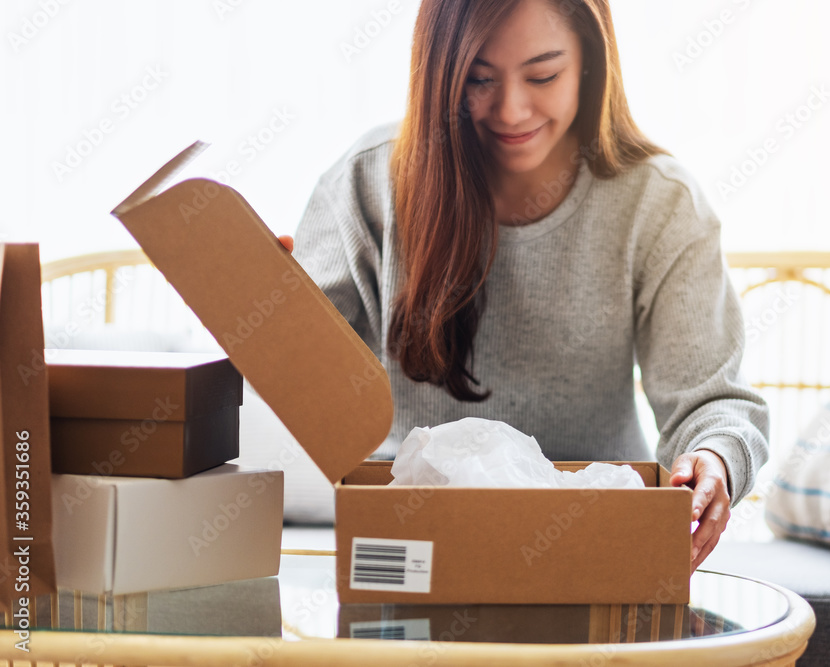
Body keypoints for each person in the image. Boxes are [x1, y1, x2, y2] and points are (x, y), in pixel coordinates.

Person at [283, 0, 768, 570]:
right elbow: (301, 384)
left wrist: (714, 458)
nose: (511, 110)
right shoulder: (371, 180)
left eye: (543, 75)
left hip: (593, 538)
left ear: (591, 61)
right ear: (439, 73)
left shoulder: (658, 202)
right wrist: (268, 309)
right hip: (416, 538)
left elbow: (712, 400)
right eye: (478, 79)